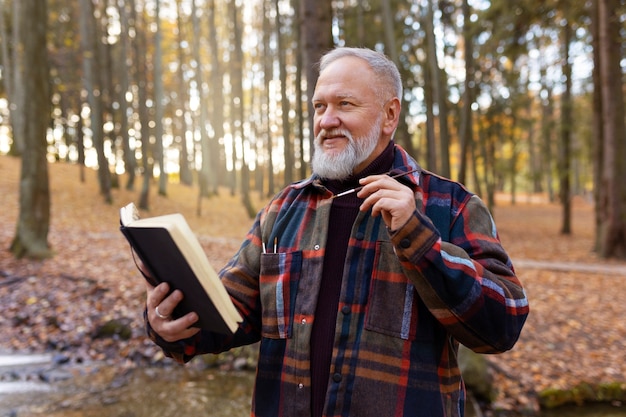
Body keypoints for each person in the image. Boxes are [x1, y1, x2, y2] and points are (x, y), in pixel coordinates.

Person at [143, 47, 529, 417]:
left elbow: (503, 324)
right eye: (319, 106)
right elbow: (229, 314)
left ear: (389, 115)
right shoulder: (284, 208)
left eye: (345, 104)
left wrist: (419, 238)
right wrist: (169, 323)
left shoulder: (451, 205)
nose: (327, 120)